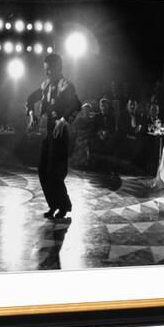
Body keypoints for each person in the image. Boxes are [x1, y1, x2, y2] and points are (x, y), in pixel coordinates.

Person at [26, 53, 82, 221]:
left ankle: (63, 205)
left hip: (60, 132)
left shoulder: (67, 85)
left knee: (54, 172)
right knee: (42, 170)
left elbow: (76, 105)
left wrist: (63, 121)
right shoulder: (45, 85)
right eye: (45, 70)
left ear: (58, 68)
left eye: (49, 69)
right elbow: (30, 99)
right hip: (47, 132)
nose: (47, 73)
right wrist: (32, 117)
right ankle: (53, 204)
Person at [70, 103, 94, 168]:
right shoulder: (79, 119)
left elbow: (92, 129)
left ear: (90, 111)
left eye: (88, 110)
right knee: (81, 143)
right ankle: (78, 162)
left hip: (88, 137)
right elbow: (75, 128)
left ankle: (84, 163)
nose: (86, 111)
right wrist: (80, 133)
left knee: (86, 143)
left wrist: (87, 134)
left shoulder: (92, 120)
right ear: (83, 110)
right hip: (80, 136)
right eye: (85, 110)